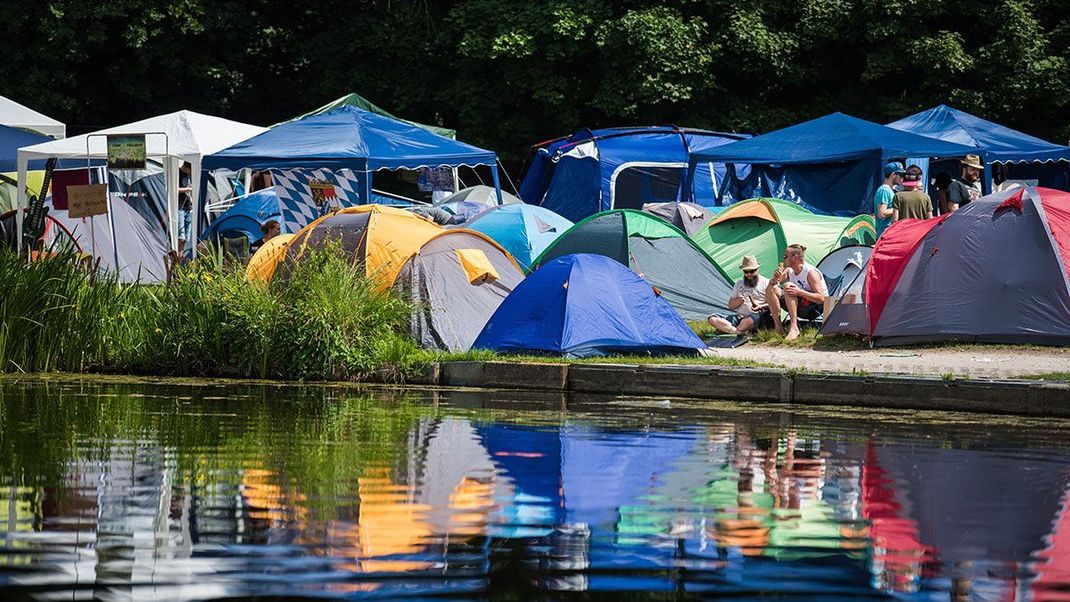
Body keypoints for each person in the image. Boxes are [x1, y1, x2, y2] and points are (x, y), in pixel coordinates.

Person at [766, 244, 828, 340]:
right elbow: (776, 283)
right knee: (772, 289)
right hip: (797, 304)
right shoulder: (789, 270)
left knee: (788, 286)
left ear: (795, 257)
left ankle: (794, 327)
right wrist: (774, 278)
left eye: (785, 256)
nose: (783, 259)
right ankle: (779, 328)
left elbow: (822, 298)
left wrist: (800, 292)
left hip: (812, 308)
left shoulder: (810, 273)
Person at [707, 256, 770, 336]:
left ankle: (729, 329)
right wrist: (739, 301)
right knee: (712, 318)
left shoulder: (766, 283)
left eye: (752, 271)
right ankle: (739, 331)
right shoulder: (739, 283)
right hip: (739, 316)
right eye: (746, 272)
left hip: (757, 316)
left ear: (758, 270)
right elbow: (731, 306)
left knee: (748, 321)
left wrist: (760, 306)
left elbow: (774, 305)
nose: (749, 274)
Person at [875, 162, 903, 238]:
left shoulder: (890, 190)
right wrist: (899, 208)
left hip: (888, 233)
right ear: (893, 175)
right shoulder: (884, 190)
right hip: (884, 234)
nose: (902, 178)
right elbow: (882, 213)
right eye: (900, 175)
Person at [177, 162, 194, 255]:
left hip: (188, 208)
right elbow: (174, 189)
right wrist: (189, 189)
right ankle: (176, 260)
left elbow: (187, 191)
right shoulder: (177, 173)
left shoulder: (188, 175)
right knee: (181, 237)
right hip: (180, 208)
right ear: (187, 167)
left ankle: (180, 259)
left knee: (185, 239)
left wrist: (191, 199)